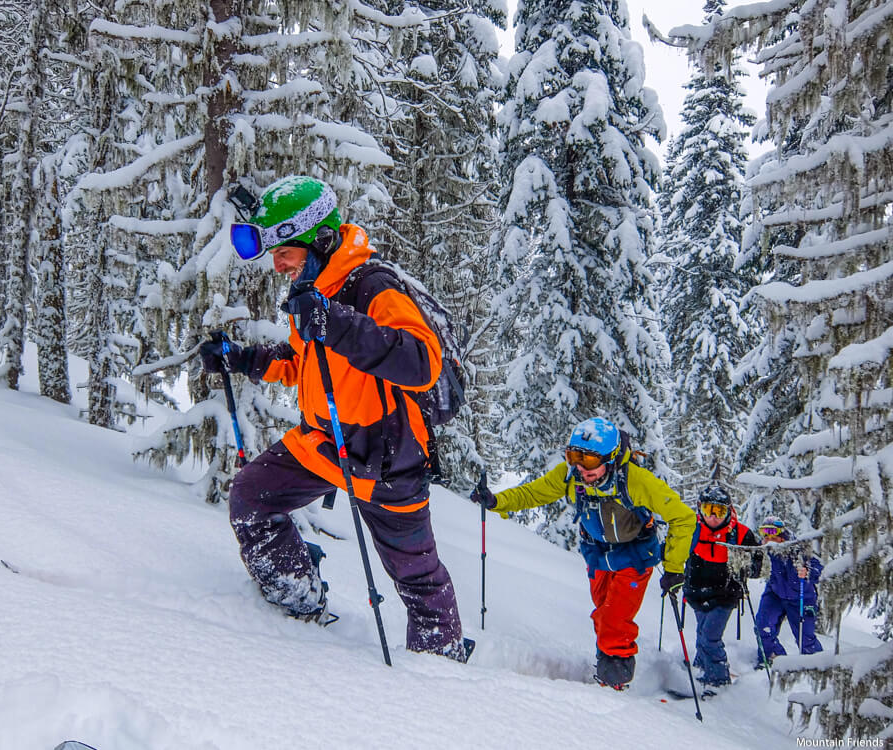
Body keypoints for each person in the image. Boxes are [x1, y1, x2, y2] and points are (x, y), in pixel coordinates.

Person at [199, 175, 469, 661]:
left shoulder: (373, 287)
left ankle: (442, 677)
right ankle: (300, 605)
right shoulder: (314, 289)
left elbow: (422, 362)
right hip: (326, 444)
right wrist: (241, 359)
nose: (277, 265)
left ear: (319, 240)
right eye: (274, 253)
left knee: (418, 581)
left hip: (388, 463)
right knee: (251, 499)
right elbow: (305, 363)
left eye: (285, 251)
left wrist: (336, 323)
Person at [470, 417, 696, 690]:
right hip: (597, 554)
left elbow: (683, 518)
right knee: (603, 615)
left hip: (634, 555)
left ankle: (615, 682)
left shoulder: (636, 481)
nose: (579, 467)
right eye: (574, 456)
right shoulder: (571, 477)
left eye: (588, 460)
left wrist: (674, 568)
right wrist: (496, 501)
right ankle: (608, 668)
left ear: (611, 459)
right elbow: (534, 493)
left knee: (614, 619)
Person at [682, 485, 762, 688]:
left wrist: (746, 567)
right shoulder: (691, 529)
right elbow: (674, 550)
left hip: (725, 594)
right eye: (709, 510)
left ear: (729, 510)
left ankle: (718, 680)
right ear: (700, 509)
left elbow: (757, 563)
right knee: (701, 634)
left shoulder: (741, 534)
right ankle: (703, 669)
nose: (714, 517)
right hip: (696, 593)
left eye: (720, 511)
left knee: (710, 637)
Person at [754, 515, 823, 665]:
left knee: (805, 638)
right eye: (763, 533)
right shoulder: (768, 548)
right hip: (775, 593)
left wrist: (808, 572)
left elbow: (819, 568)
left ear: (781, 533)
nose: (767, 537)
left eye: (771, 532)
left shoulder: (799, 548)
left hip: (801, 597)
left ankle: (817, 667)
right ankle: (773, 659)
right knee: (763, 626)